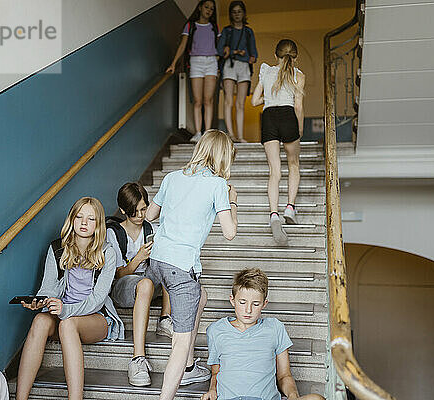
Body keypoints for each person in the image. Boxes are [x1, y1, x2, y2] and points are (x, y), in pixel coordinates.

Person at [145, 129, 238, 400]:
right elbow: (230, 232)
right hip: (180, 267)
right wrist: (233, 202)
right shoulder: (218, 186)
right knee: (180, 340)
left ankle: (188, 365)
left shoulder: (172, 178)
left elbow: (151, 214)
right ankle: (171, 389)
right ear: (223, 158)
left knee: (202, 295)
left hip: (158, 259)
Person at [15, 197, 124, 400]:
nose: (84, 223)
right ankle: (20, 398)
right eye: (79, 216)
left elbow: (98, 300)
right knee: (40, 321)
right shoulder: (57, 248)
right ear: (71, 219)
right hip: (63, 313)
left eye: (91, 219)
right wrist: (40, 302)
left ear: (98, 224)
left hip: (96, 318)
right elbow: (48, 288)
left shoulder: (107, 253)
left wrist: (65, 310)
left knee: (67, 325)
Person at [202, 268, 325, 400]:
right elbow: (216, 372)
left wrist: (293, 395)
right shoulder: (216, 330)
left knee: (317, 398)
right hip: (230, 398)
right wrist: (212, 390)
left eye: (255, 304)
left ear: (264, 304)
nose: (248, 310)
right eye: (242, 302)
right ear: (232, 300)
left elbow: (284, 375)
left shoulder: (275, 328)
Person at [107, 182, 174, 387]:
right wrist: (138, 258)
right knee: (144, 283)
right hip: (123, 286)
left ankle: (165, 318)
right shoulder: (114, 233)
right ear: (123, 210)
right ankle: (138, 358)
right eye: (134, 212)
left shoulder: (150, 228)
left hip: (147, 281)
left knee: (169, 263)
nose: (140, 215)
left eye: (144, 209)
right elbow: (117, 274)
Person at [251, 39, 305, 246]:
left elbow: (255, 101)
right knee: (294, 164)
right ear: (295, 56)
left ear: (276, 56)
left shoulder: (266, 72)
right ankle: (290, 207)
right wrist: (299, 128)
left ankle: (274, 214)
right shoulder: (298, 75)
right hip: (288, 115)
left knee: (275, 171)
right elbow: (298, 106)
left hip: (269, 117)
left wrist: (270, 98)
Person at [166, 0, 220, 143]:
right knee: (197, 101)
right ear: (200, 7)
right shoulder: (190, 26)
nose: (209, 10)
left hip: (211, 62)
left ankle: (207, 133)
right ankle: (198, 133)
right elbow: (183, 45)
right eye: (207, 7)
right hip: (195, 62)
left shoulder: (214, 27)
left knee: (208, 100)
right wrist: (173, 64)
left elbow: (220, 45)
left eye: (212, 9)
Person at [217, 1, 258, 143]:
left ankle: (240, 136)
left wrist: (244, 55)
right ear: (230, 14)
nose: (236, 14)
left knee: (241, 103)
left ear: (244, 13)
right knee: (228, 101)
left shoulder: (248, 31)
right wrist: (235, 52)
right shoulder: (226, 30)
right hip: (229, 65)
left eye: (239, 11)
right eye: (234, 12)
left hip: (244, 66)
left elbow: (254, 55)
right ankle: (231, 135)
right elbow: (219, 50)